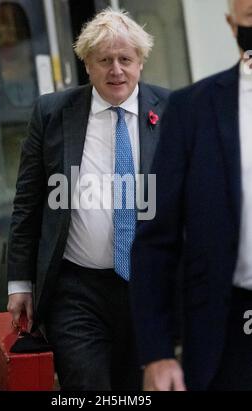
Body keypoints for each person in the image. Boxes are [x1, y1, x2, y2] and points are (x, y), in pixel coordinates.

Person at [7, 8, 169, 391]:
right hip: (76, 290)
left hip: (146, 288)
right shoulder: (52, 114)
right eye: (105, 60)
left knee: (134, 387)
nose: (116, 70)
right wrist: (19, 284)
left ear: (140, 63)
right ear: (87, 64)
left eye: (125, 60)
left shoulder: (172, 110)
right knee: (87, 384)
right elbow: (28, 201)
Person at [130, 0, 252, 391]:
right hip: (229, 331)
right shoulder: (191, 110)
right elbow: (155, 240)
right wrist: (157, 352)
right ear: (232, 24)